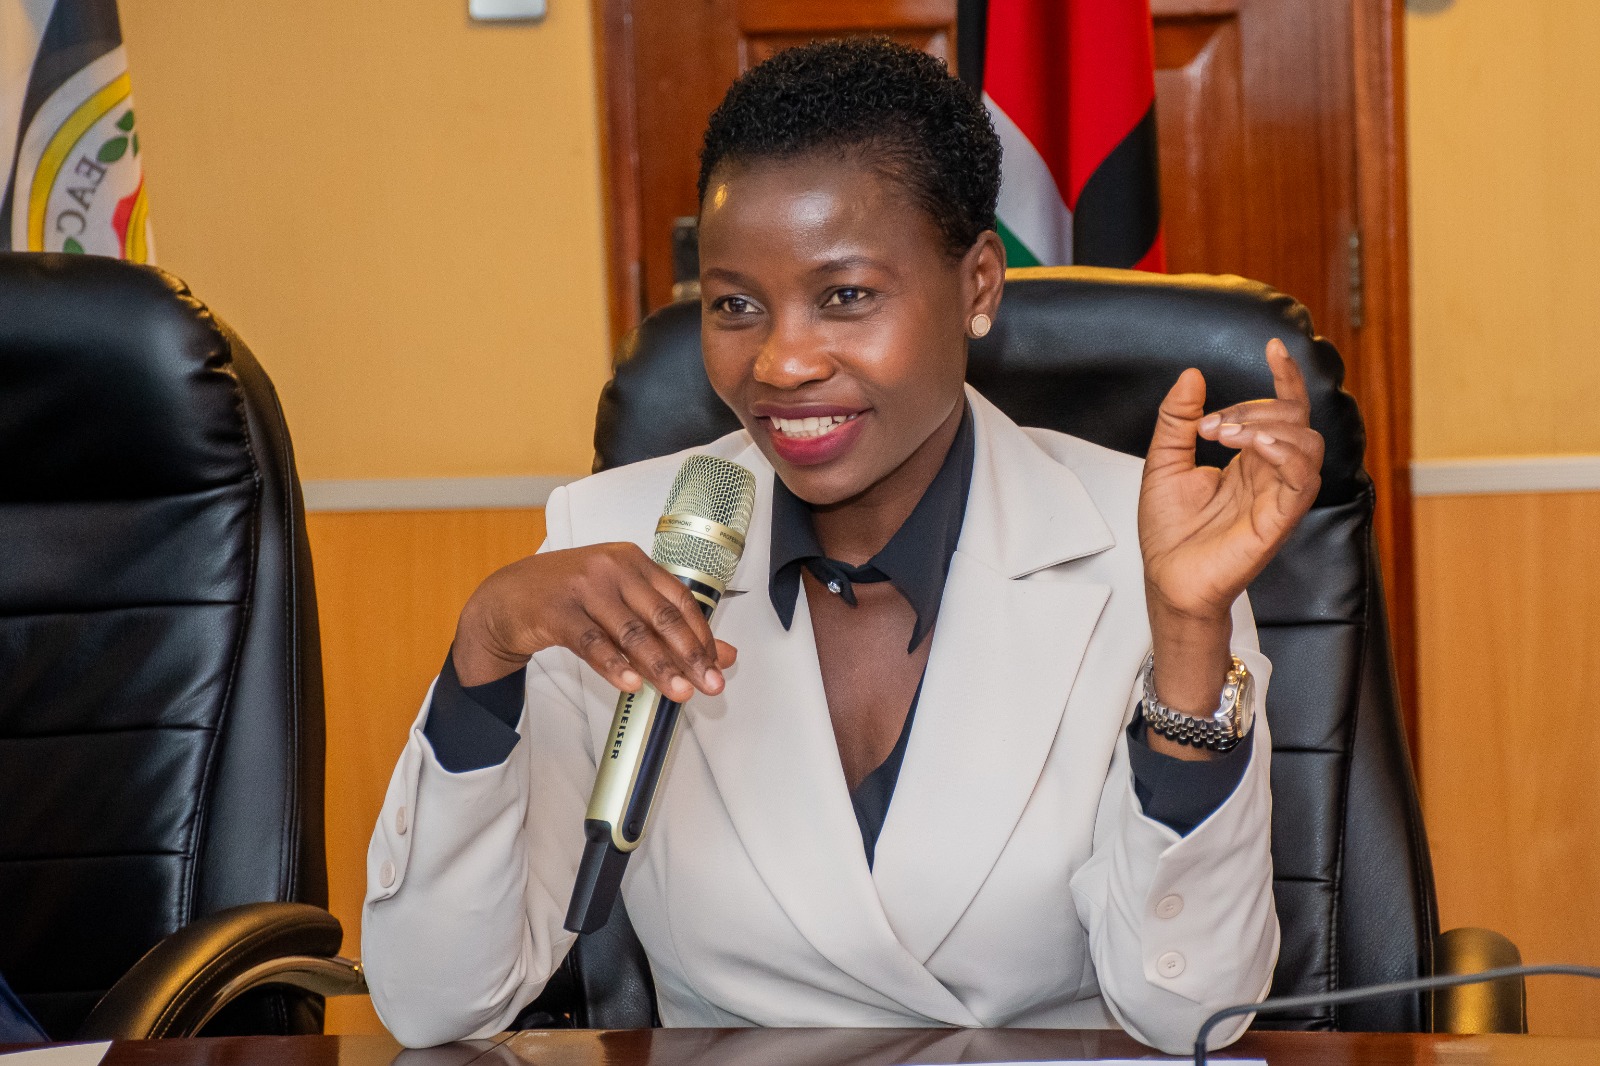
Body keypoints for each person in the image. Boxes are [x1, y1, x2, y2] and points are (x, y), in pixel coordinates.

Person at [362, 38, 1322, 1054]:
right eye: (736, 305)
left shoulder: (1146, 542)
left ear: (979, 284)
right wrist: (483, 651)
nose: (781, 361)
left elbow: (1186, 1011)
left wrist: (1187, 635)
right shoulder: (617, 544)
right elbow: (435, 1004)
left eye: (847, 296)